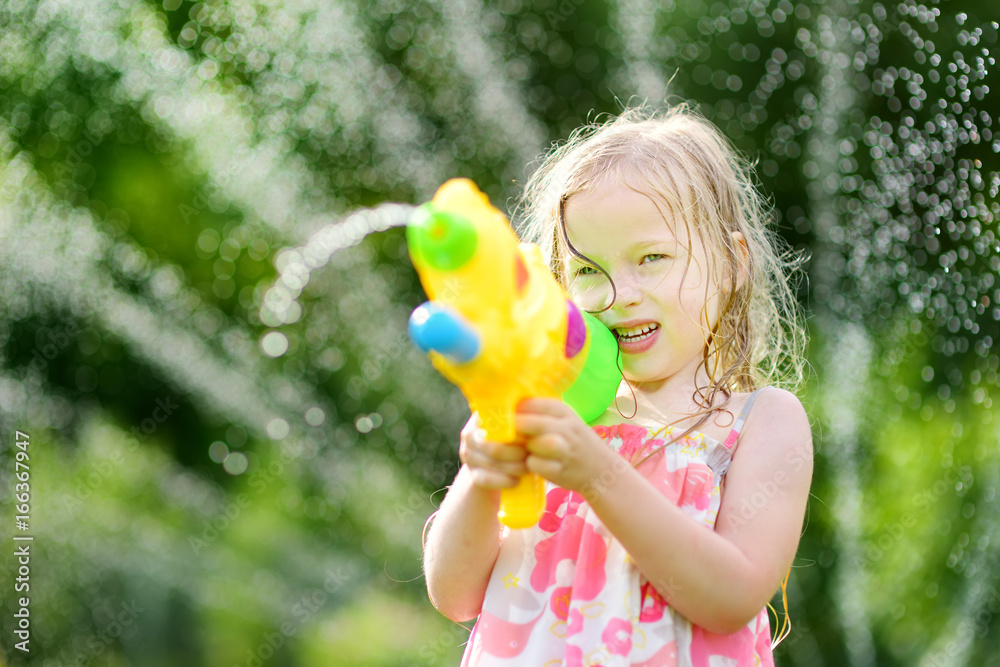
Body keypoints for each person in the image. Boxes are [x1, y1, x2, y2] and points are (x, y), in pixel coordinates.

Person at [421, 104, 814, 667]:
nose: (618, 293)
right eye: (587, 271)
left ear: (731, 262)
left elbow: (732, 597)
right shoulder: (541, 404)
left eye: (651, 258)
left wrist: (598, 475)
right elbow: (455, 594)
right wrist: (483, 483)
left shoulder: (759, 422)